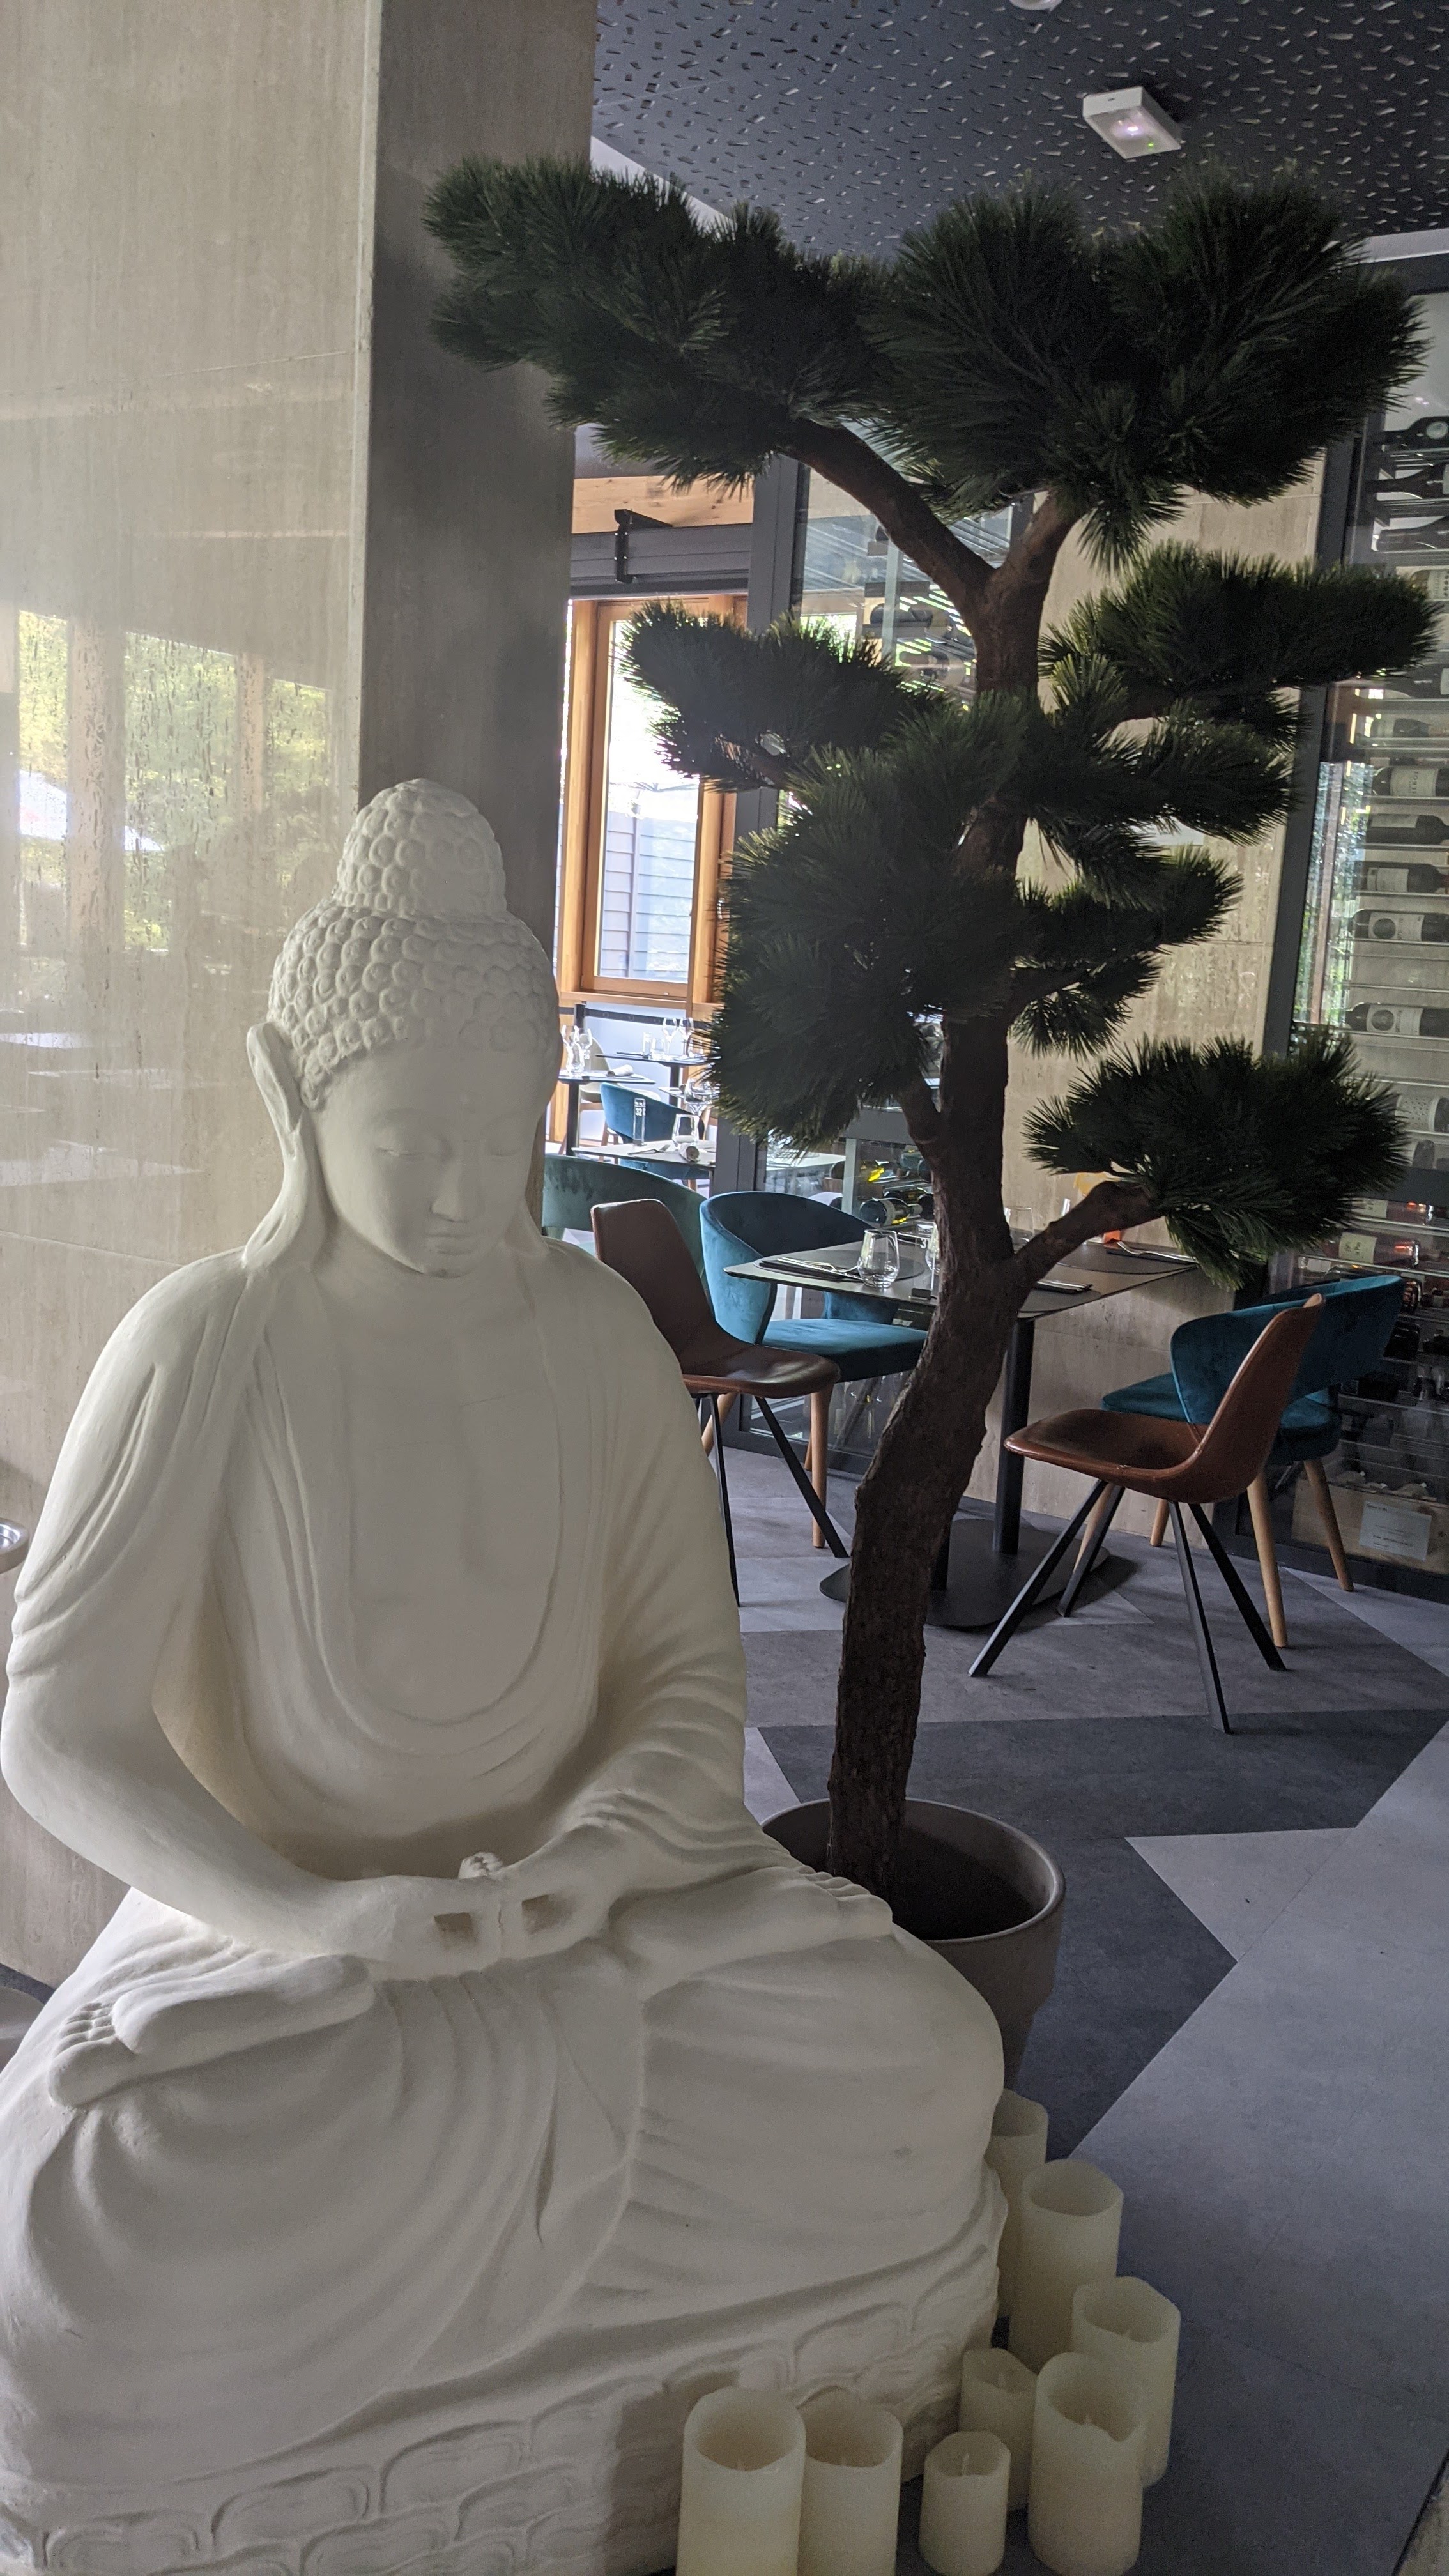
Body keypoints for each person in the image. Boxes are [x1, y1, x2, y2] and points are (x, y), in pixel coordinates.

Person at [0, 781, 1002, 2575]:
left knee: (922, 2057)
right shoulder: (209, 1346)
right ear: (295, 1099)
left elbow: (683, 1680)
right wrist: (314, 1914)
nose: (470, 1192)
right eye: (414, 1141)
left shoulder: (593, 1336)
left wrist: (600, 1859)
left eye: (499, 1135)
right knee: (92, 2253)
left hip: (610, 1931)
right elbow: (58, 1730)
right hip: (298, 1960)